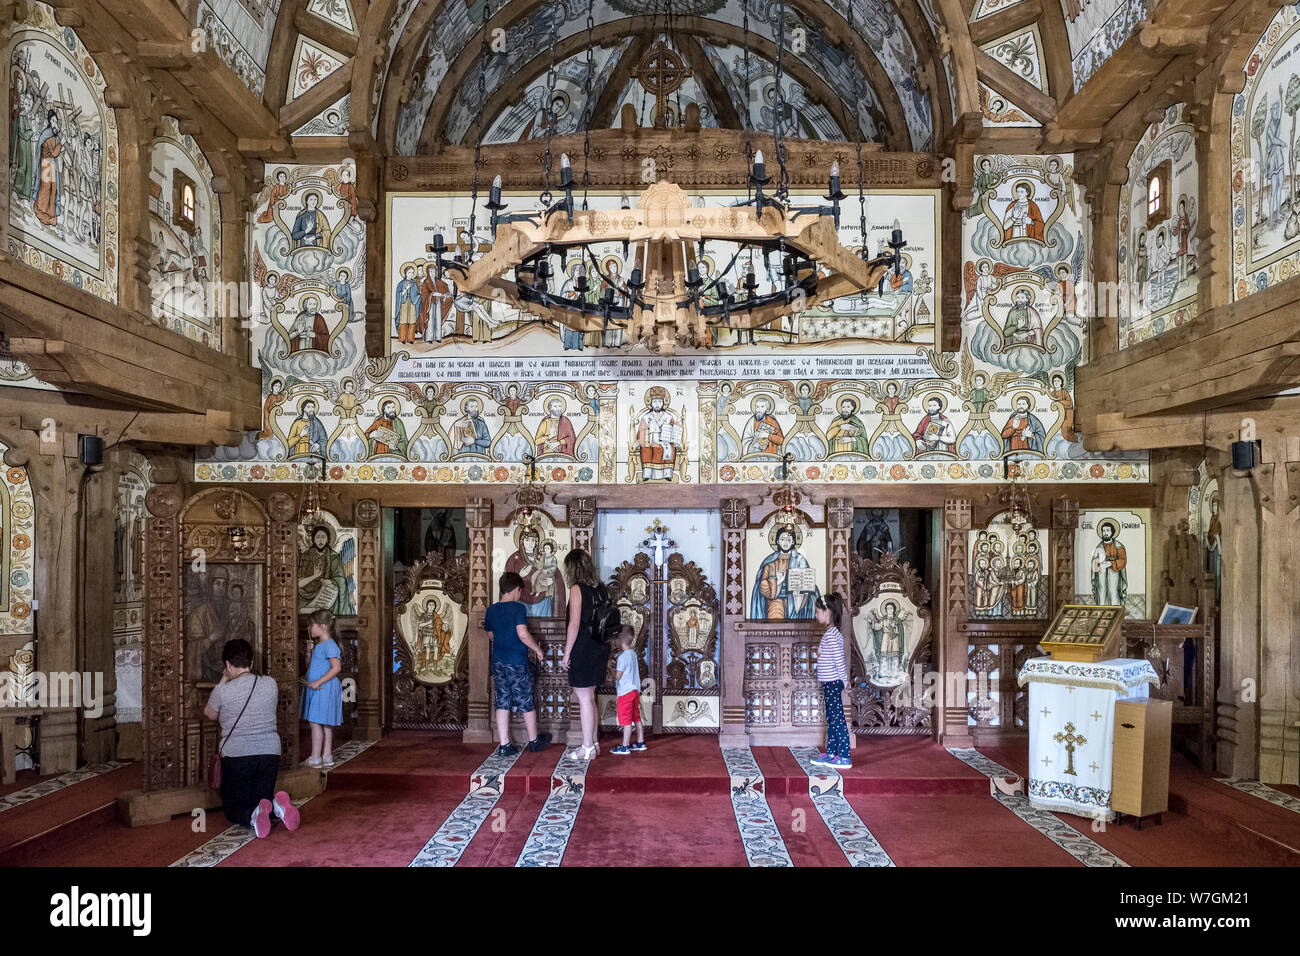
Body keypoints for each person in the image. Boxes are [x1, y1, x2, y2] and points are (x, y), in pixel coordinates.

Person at [202, 639, 299, 838]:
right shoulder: (270, 683)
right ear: (251, 663)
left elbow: (210, 714)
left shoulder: (222, 690)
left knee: (232, 809)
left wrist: (223, 680)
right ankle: (277, 807)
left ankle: (253, 817)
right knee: (260, 799)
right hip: (269, 753)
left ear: (227, 665)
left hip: (238, 756)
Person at [484, 571, 553, 756]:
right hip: (516, 661)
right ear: (516, 590)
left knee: (502, 701)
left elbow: (491, 635)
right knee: (525, 699)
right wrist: (538, 650)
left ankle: (505, 745)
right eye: (520, 591)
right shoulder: (518, 608)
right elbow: (522, 634)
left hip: (498, 661)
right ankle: (534, 741)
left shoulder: (491, 610)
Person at [561, 548, 612, 760]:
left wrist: (566, 653)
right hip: (600, 646)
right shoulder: (601, 588)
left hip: (583, 646)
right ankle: (594, 743)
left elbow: (573, 624)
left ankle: (587, 747)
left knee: (583, 698)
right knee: (590, 697)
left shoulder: (577, 589)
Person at [810, 593, 852, 770]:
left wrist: (845, 680)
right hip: (830, 682)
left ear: (828, 612)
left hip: (834, 682)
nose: (816, 615)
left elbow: (839, 660)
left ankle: (844, 756)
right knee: (832, 719)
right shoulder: (830, 634)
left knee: (838, 720)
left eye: (818, 611)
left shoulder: (832, 635)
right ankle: (832, 753)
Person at [301, 609, 343, 769]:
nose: (309, 628)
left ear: (323, 626)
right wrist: (309, 651)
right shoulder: (321, 645)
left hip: (323, 688)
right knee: (324, 723)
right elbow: (312, 665)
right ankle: (327, 755)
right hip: (319, 687)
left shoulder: (330, 645)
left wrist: (318, 682)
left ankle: (315, 757)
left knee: (316, 722)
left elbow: (336, 668)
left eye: (312, 625)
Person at [609, 627, 647, 755]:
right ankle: (640, 742)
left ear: (620, 640)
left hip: (625, 692)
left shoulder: (622, 657)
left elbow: (618, 676)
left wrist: (610, 670)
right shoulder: (633, 654)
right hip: (635, 690)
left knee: (626, 720)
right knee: (636, 717)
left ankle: (624, 746)